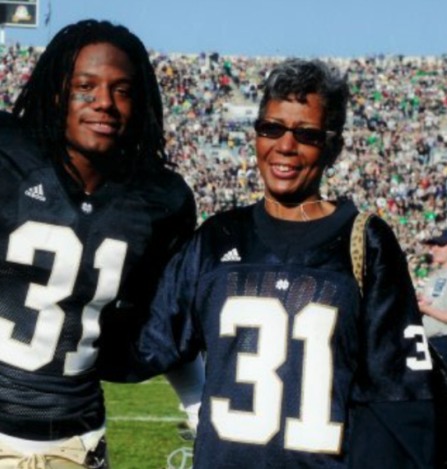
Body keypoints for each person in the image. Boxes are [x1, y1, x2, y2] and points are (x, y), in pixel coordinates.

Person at [137, 59, 437, 468]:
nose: (285, 146)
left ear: (333, 147)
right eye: (271, 128)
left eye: (307, 134)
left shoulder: (366, 242)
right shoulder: (217, 237)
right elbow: (149, 342)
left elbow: (400, 399)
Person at [0, 19, 203, 469]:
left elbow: (167, 322)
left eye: (122, 89)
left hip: (78, 443)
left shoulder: (161, 199)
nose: (104, 102)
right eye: (86, 86)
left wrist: (198, 407)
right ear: (56, 90)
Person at [419, 229, 447, 362]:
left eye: (440, 245)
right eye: (433, 245)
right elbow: (433, 302)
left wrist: (425, 309)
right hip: (428, 342)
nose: (434, 249)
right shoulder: (435, 275)